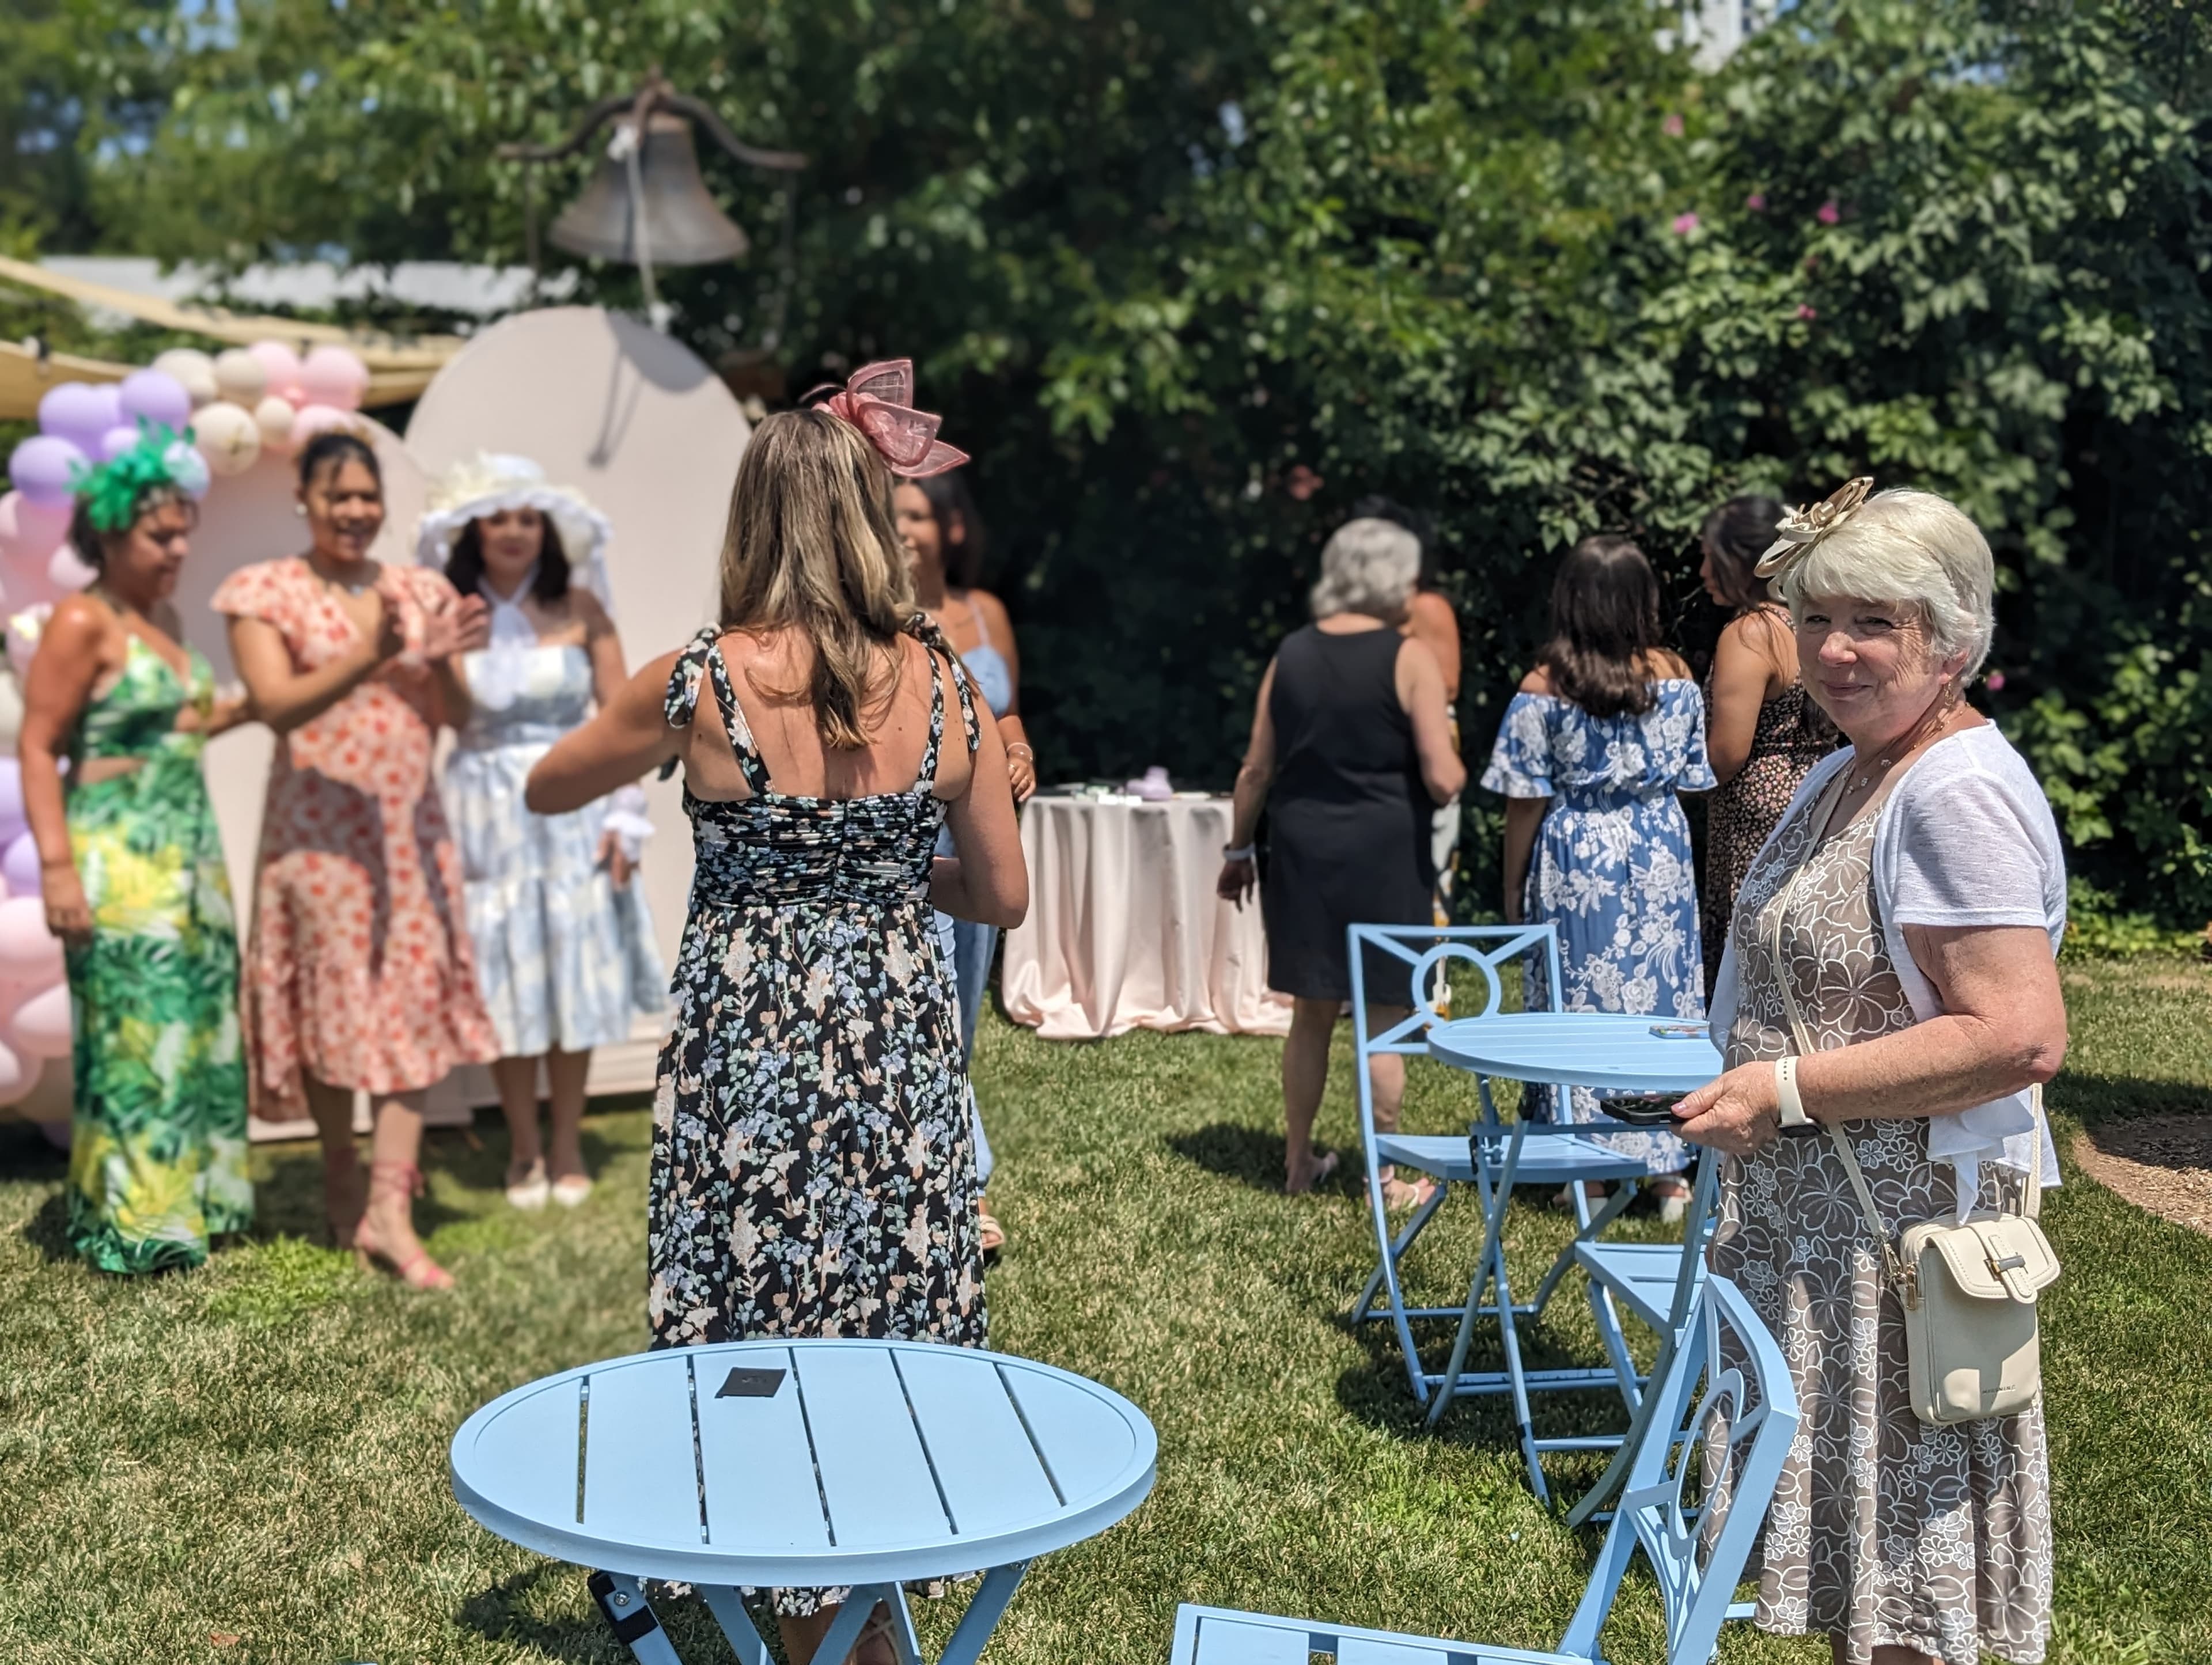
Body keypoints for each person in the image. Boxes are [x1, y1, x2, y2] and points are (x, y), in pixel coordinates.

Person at [525, 362, 1025, 1665]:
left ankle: (803, 1615)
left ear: (753, 522)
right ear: (872, 517)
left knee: (760, 1301)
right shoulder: (952, 683)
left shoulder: (696, 679)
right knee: (884, 1295)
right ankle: (870, 1596)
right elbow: (1000, 896)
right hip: (895, 1025)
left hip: (751, 1032)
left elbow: (545, 789)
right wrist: (879, 854)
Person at [1671, 481, 2064, 1665]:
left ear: (1952, 638)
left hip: (1898, 1253)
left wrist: (1781, 1091)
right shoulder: (1866, 761)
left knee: (1909, 1602)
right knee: (1870, 1588)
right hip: (1827, 1239)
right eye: (1819, 616)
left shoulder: (1957, 788)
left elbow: (2016, 1033)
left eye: (1876, 623)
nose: (1834, 649)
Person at [214, 430, 498, 1290]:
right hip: (319, 843)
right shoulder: (265, 591)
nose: (355, 510)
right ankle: (342, 1170)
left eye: (367, 495)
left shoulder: (418, 589)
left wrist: (443, 662)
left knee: (408, 1008)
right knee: (334, 1009)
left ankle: (390, 1206)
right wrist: (367, 653)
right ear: (303, 498)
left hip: (408, 836)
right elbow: (274, 704)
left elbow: (455, 715)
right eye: (337, 495)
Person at [18, 431, 252, 1273]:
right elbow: (42, 745)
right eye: (161, 534)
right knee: (137, 1038)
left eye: (184, 531)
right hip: (119, 857)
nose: (179, 548)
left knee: (194, 1027)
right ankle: (141, 1222)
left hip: (190, 851)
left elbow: (174, 725)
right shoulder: (83, 619)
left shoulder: (164, 621)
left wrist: (256, 704)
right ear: (109, 535)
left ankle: (198, 1197)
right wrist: (57, 868)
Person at [419, 455, 664, 1210]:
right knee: (508, 975)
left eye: (528, 518)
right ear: (474, 531)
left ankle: (567, 1140)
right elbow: (454, 721)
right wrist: (440, 658)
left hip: (573, 800)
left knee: (575, 968)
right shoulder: (455, 611)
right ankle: (522, 1143)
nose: (516, 531)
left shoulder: (583, 606)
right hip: (486, 808)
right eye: (500, 518)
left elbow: (623, 720)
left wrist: (627, 813)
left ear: (546, 530)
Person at [1217, 517, 1465, 1202]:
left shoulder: (1291, 653)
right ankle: (1382, 1176)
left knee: (1311, 1012)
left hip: (1301, 850)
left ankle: (1298, 1162)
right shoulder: (1408, 656)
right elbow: (1443, 778)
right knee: (1385, 1014)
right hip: (1387, 853)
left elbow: (1255, 768)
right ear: (1392, 581)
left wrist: (1239, 848)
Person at [1480, 534, 1711, 1218]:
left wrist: (1512, 891)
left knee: (1578, 1006)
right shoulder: (1675, 675)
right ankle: (1672, 1171)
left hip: (1579, 851)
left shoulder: (1544, 686)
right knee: (1663, 1006)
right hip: (1659, 844)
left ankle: (1589, 1170)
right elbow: (1694, 775)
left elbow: (1524, 801)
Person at [894, 470, 1030, 1254]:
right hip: (912, 835)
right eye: (893, 514)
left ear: (951, 527)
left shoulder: (987, 614)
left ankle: (941, 1164)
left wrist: (1018, 748)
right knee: (931, 1008)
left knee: (963, 1015)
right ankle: (964, 1183)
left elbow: (1003, 714)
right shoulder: (875, 624)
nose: (905, 526)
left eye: (918, 512)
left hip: (975, 832)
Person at [1698, 492, 1838, 992]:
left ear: (1741, 560)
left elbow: (1727, 754)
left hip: (1754, 813)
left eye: (1709, 556)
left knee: (1745, 953)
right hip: (1816, 794)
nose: (1702, 571)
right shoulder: (1811, 621)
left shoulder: (1749, 633)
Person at [1352, 495, 1463, 912]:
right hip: (1364, 740)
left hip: (1422, 741)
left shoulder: (1427, 607)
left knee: (1426, 860)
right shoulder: (1349, 610)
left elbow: (1449, 685)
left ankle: (1426, 973)